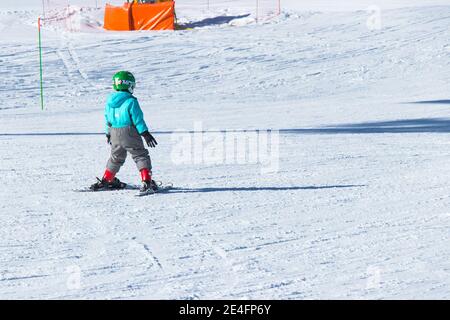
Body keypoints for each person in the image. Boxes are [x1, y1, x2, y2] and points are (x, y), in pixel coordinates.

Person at [90, 71, 158, 193]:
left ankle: (107, 179)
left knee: (116, 157)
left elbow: (108, 119)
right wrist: (145, 133)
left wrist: (108, 133)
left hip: (114, 132)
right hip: (129, 131)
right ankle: (146, 182)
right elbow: (137, 119)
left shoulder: (109, 102)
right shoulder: (131, 101)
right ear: (129, 85)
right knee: (140, 155)